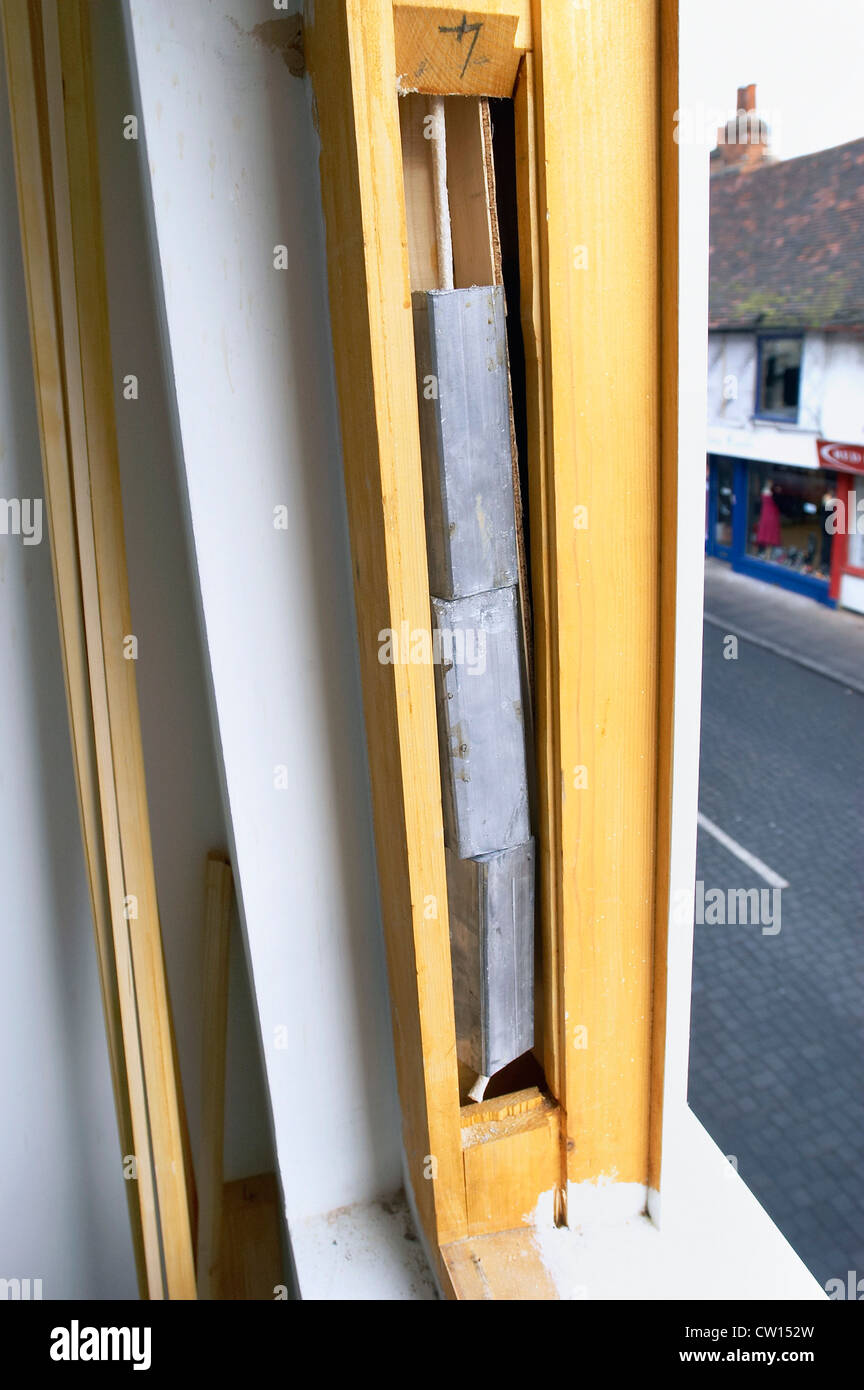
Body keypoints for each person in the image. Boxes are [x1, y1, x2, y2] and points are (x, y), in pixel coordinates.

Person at [755, 480, 782, 556]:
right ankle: (766, 554)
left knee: (766, 533)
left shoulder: (767, 491)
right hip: (770, 515)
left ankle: (765, 554)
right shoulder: (772, 493)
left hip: (767, 514)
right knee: (768, 534)